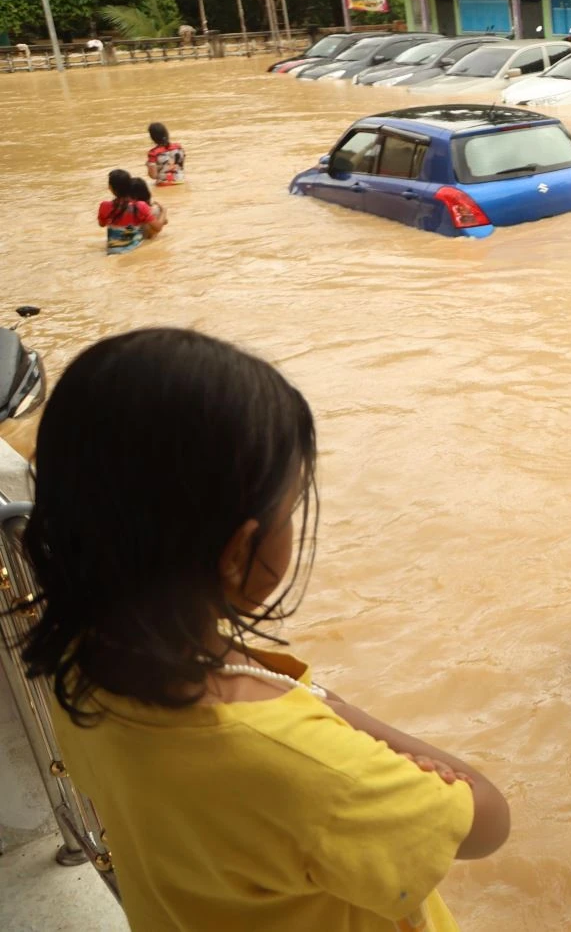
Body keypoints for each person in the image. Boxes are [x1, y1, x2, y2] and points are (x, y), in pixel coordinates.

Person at [14, 328, 511, 932]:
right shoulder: (297, 758)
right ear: (237, 551)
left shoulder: (76, 665)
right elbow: (486, 820)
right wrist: (336, 714)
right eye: (290, 508)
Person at [97, 169, 156, 254]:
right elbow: (157, 227)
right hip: (134, 250)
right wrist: (163, 211)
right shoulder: (140, 206)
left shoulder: (104, 206)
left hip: (112, 251)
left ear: (110, 187)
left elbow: (101, 224)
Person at [146, 122, 185, 186]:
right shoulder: (179, 148)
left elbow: (153, 176)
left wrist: (148, 165)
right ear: (166, 133)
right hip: (181, 182)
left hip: (163, 185)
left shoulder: (153, 153)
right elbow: (181, 167)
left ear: (152, 137)